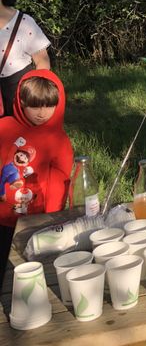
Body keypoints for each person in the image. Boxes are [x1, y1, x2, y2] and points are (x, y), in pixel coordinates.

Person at [0, 70, 74, 288]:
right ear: (21, 102)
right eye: (35, 106)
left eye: (49, 105)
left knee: (32, 269)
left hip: (36, 220)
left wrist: (51, 218)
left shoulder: (58, 139)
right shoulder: (4, 128)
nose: (42, 113)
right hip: (3, 216)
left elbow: (61, 181)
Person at [0, 0, 51, 118]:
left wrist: (36, 95)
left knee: (22, 139)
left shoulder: (24, 22)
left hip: (20, 93)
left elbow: (42, 60)